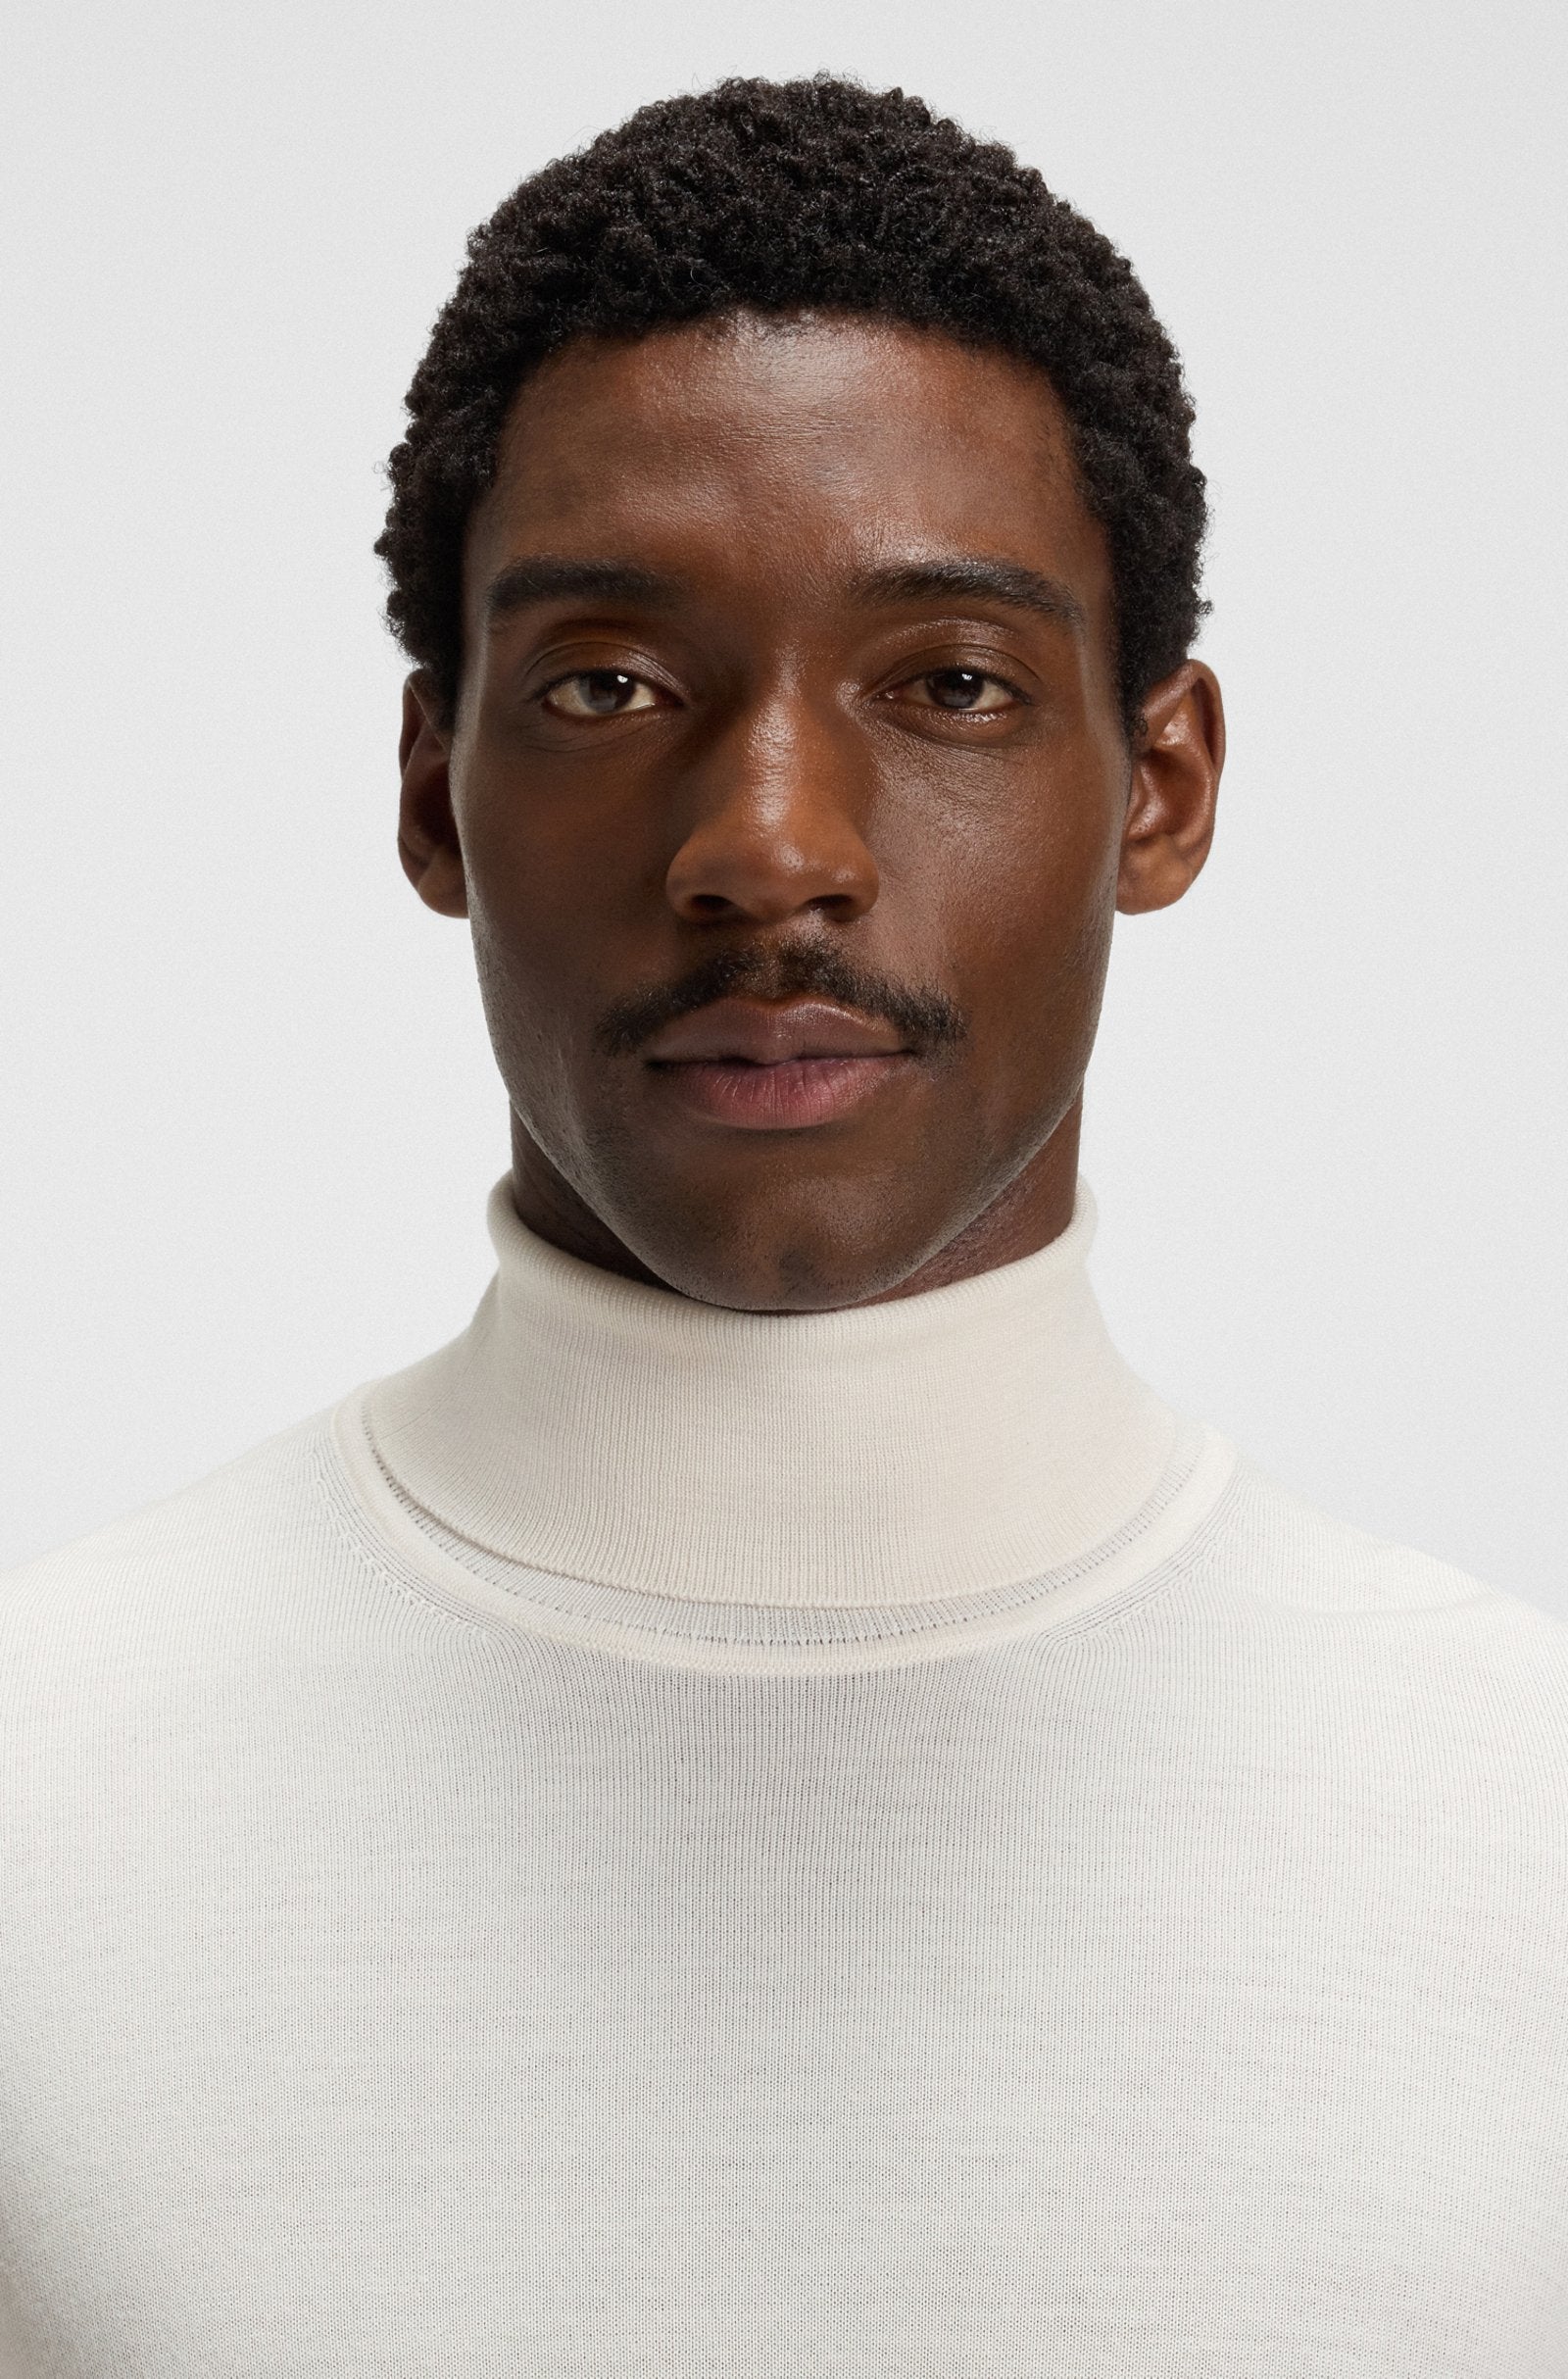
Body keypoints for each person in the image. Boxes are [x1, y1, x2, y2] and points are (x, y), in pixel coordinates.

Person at [3, 74, 1564, 2377]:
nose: (766, 846)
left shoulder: (1519, 1826)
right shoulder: (37, 1800)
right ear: (434, 789)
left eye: (945, 684)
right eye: (608, 683)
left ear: (1158, 787)